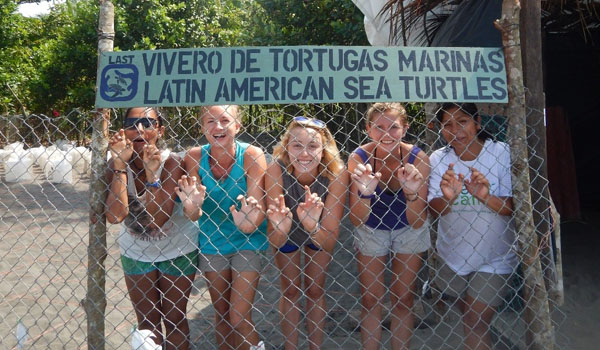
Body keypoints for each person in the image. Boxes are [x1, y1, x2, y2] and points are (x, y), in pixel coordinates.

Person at [105, 107, 198, 350]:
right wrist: (118, 164)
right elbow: (115, 216)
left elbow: (158, 218)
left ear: (159, 130)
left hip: (177, 250)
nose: (138, 129)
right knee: (147, 323)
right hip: (136, 253)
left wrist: (150, 172)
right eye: (131, 123)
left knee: (175, 319)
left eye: (147, 123)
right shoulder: (115, 161)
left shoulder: (173, 161)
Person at [176, 105, 267, 350]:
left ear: (237, 126)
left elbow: (256, 211)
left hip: (248, 240)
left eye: (225, 120)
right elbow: (193, 212)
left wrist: (247, 222)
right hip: (211, 241)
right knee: (222, 313)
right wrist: (192, 206)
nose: (218, 127)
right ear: (203, 127)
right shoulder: (194, 156)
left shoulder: (252, 155)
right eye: (210, 121)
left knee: (239, 316)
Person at [428, 102, 518, 350]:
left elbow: (511, 208)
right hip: (452, 254)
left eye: (462, 121)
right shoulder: (439, 159)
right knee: (467, 311)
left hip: (495, 256)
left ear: (477, 122)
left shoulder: (501, 152)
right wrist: (449, 198)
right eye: (447, 124)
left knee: (474, 319)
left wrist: (484, 196)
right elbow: (435, 208)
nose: (455, 129)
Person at [348, 102, 430, 350]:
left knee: (403, 298)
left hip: (408, 226)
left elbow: (418, 221)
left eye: (393, 127)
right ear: (368, 129)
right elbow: (356, 219)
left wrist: (412, 194)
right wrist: (364, 193)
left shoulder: (419, 158)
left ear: (405, 129)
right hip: (372, 227)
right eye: (378, 127)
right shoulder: (358, 158)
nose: (386, 134)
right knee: (371, 299)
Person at [265, 116, 348, 350]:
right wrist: (281, 229)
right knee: (290, 290)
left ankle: (315, 347)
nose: (304, 153)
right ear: (286, 147)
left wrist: (312, 226)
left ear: (324, 149)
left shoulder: (337, 174)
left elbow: (329, 241)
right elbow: (275, 238)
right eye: (297, 145)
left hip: (318, 230)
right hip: (287, 229)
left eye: (312, 146)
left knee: (314, 289)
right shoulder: (276, 169)